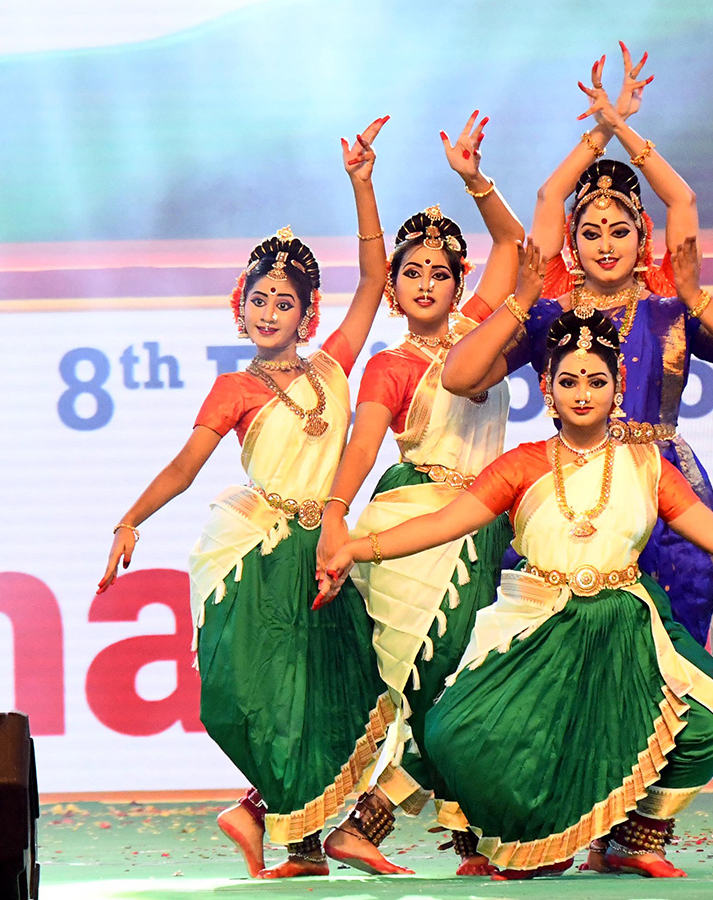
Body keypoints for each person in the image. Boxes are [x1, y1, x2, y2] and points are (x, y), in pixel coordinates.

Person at [317, 294, 713, 879]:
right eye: (569, 380)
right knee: (451, 729)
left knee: (712, 725)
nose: (583, 391)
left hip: (626, 626)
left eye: (596, 379)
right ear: (548, 387)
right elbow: (441, 525)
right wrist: (355, 548)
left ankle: (635, 839)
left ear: (618, 387)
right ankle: (422, 827)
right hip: (538, 621)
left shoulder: (647, 466)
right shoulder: (521, 465)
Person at [98, 119, 390, 879]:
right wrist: (132, 518)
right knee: (271, 698)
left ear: (306, 314)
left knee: (340, 689)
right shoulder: (234, 389)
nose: (269, 312)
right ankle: (289, 840)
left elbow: (375, 280)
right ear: (241, 307)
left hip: (324, 549)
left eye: (284, 302)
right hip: (266, 558)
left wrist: (362, 185)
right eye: (258, 299)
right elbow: (185, 467)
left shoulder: (334, 366)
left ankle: (273, 825)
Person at [440, 46, 713, 644]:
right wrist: (601, 130)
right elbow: (460, 376)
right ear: (572, 243)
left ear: (641, 235)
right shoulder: (551, 316)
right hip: (568, 484)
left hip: (659, 491)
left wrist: (622, 127)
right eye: (591, 232)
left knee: (665, 658)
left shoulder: (670, 311)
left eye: (620, 231)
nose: (606, 244)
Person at [313, 112, 523, 877]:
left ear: (458, 283)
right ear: (395, 289)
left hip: (486, 525)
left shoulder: (481, 333)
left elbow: (512, 246)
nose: (426, 283)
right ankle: (378, 826)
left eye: (440, 272)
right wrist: (335, 521)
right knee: (437, 685)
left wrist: (475, 180)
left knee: (474, 684)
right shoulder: (390, 366)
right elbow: (363, 447)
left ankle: (463, 840)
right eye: (412, 273)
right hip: (416, 525)